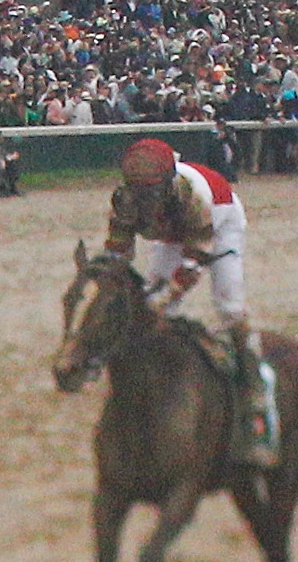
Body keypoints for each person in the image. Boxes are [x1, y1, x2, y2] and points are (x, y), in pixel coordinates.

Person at [102, 135, 279, 467]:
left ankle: (257, 386)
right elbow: (118, 249)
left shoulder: (195, 197)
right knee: (151, 298)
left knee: (228, 306)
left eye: (151, 193)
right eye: (138, 193)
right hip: (173, 231)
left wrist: (164, 297)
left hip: (220, 224)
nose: (144, 201)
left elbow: (194, 262)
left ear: (169, 183)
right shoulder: (125, 199)